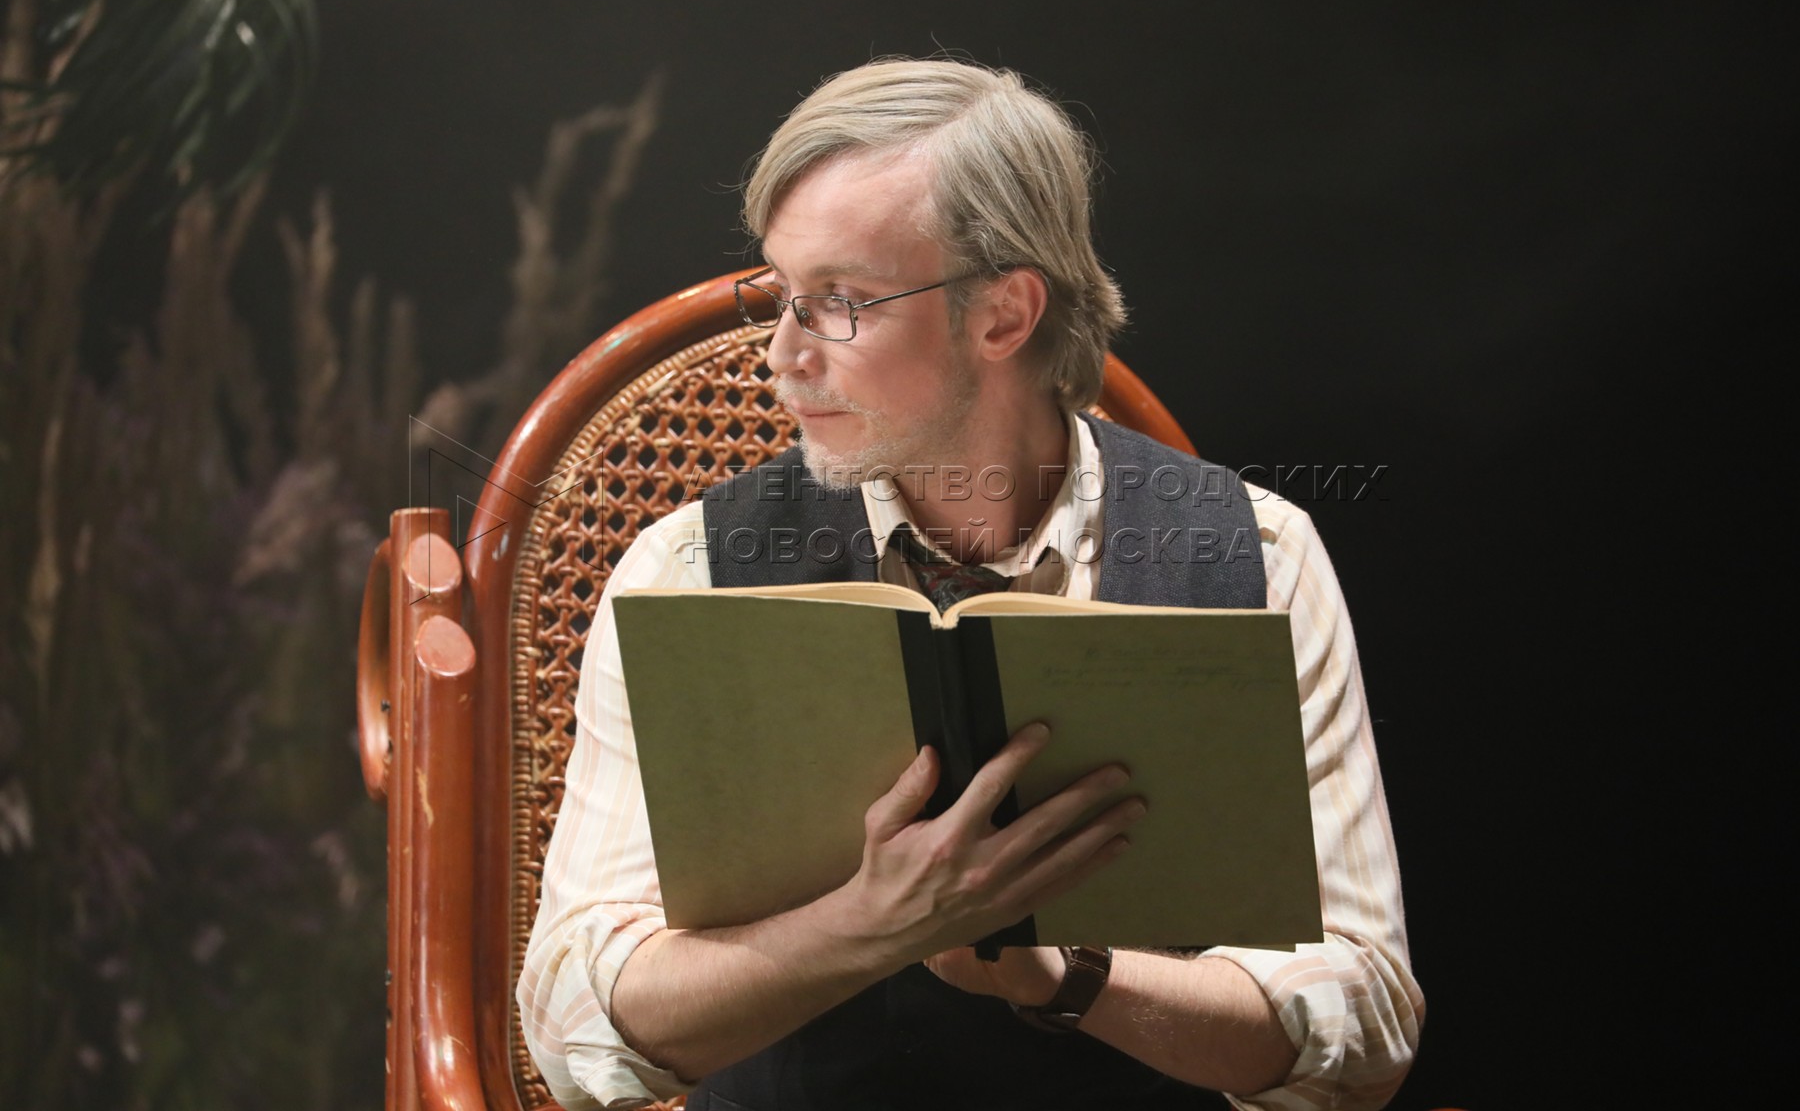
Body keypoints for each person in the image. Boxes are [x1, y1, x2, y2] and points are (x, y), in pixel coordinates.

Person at [518, 58, 1423, 1111]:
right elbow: (573, 1034)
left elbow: (1364, 1031)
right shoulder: (688, 570)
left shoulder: (1259, 555)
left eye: (839, 303)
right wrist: (864, 926)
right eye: (779, 296)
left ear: (1003, 315)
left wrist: (1066, 978)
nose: (781, 355)